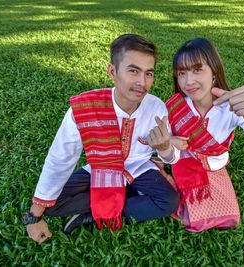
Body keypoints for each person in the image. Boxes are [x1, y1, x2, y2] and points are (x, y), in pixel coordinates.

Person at [23, 34, 180, 244]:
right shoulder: (85, 109)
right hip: (100, 168)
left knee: (169, 202)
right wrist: (35, 215)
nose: (142, 82)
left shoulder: (156, 107)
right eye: (133, 71)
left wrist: (165, 148)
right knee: (53, 205)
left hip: (138, 167)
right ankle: (122, 197)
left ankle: (94, 214)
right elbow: (60, 159)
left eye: (148, 73)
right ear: (112, 72)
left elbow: (171, 158)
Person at [166, 38, 244, 232]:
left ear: (214, 72)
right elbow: (159, 137)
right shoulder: (175, 105)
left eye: (197, 70)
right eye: (182, 73)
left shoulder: (231, 108)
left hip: (214, 166)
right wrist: (169, 141)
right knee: (184, 210)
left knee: (228, 217)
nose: (188, 81)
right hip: (182, 160)